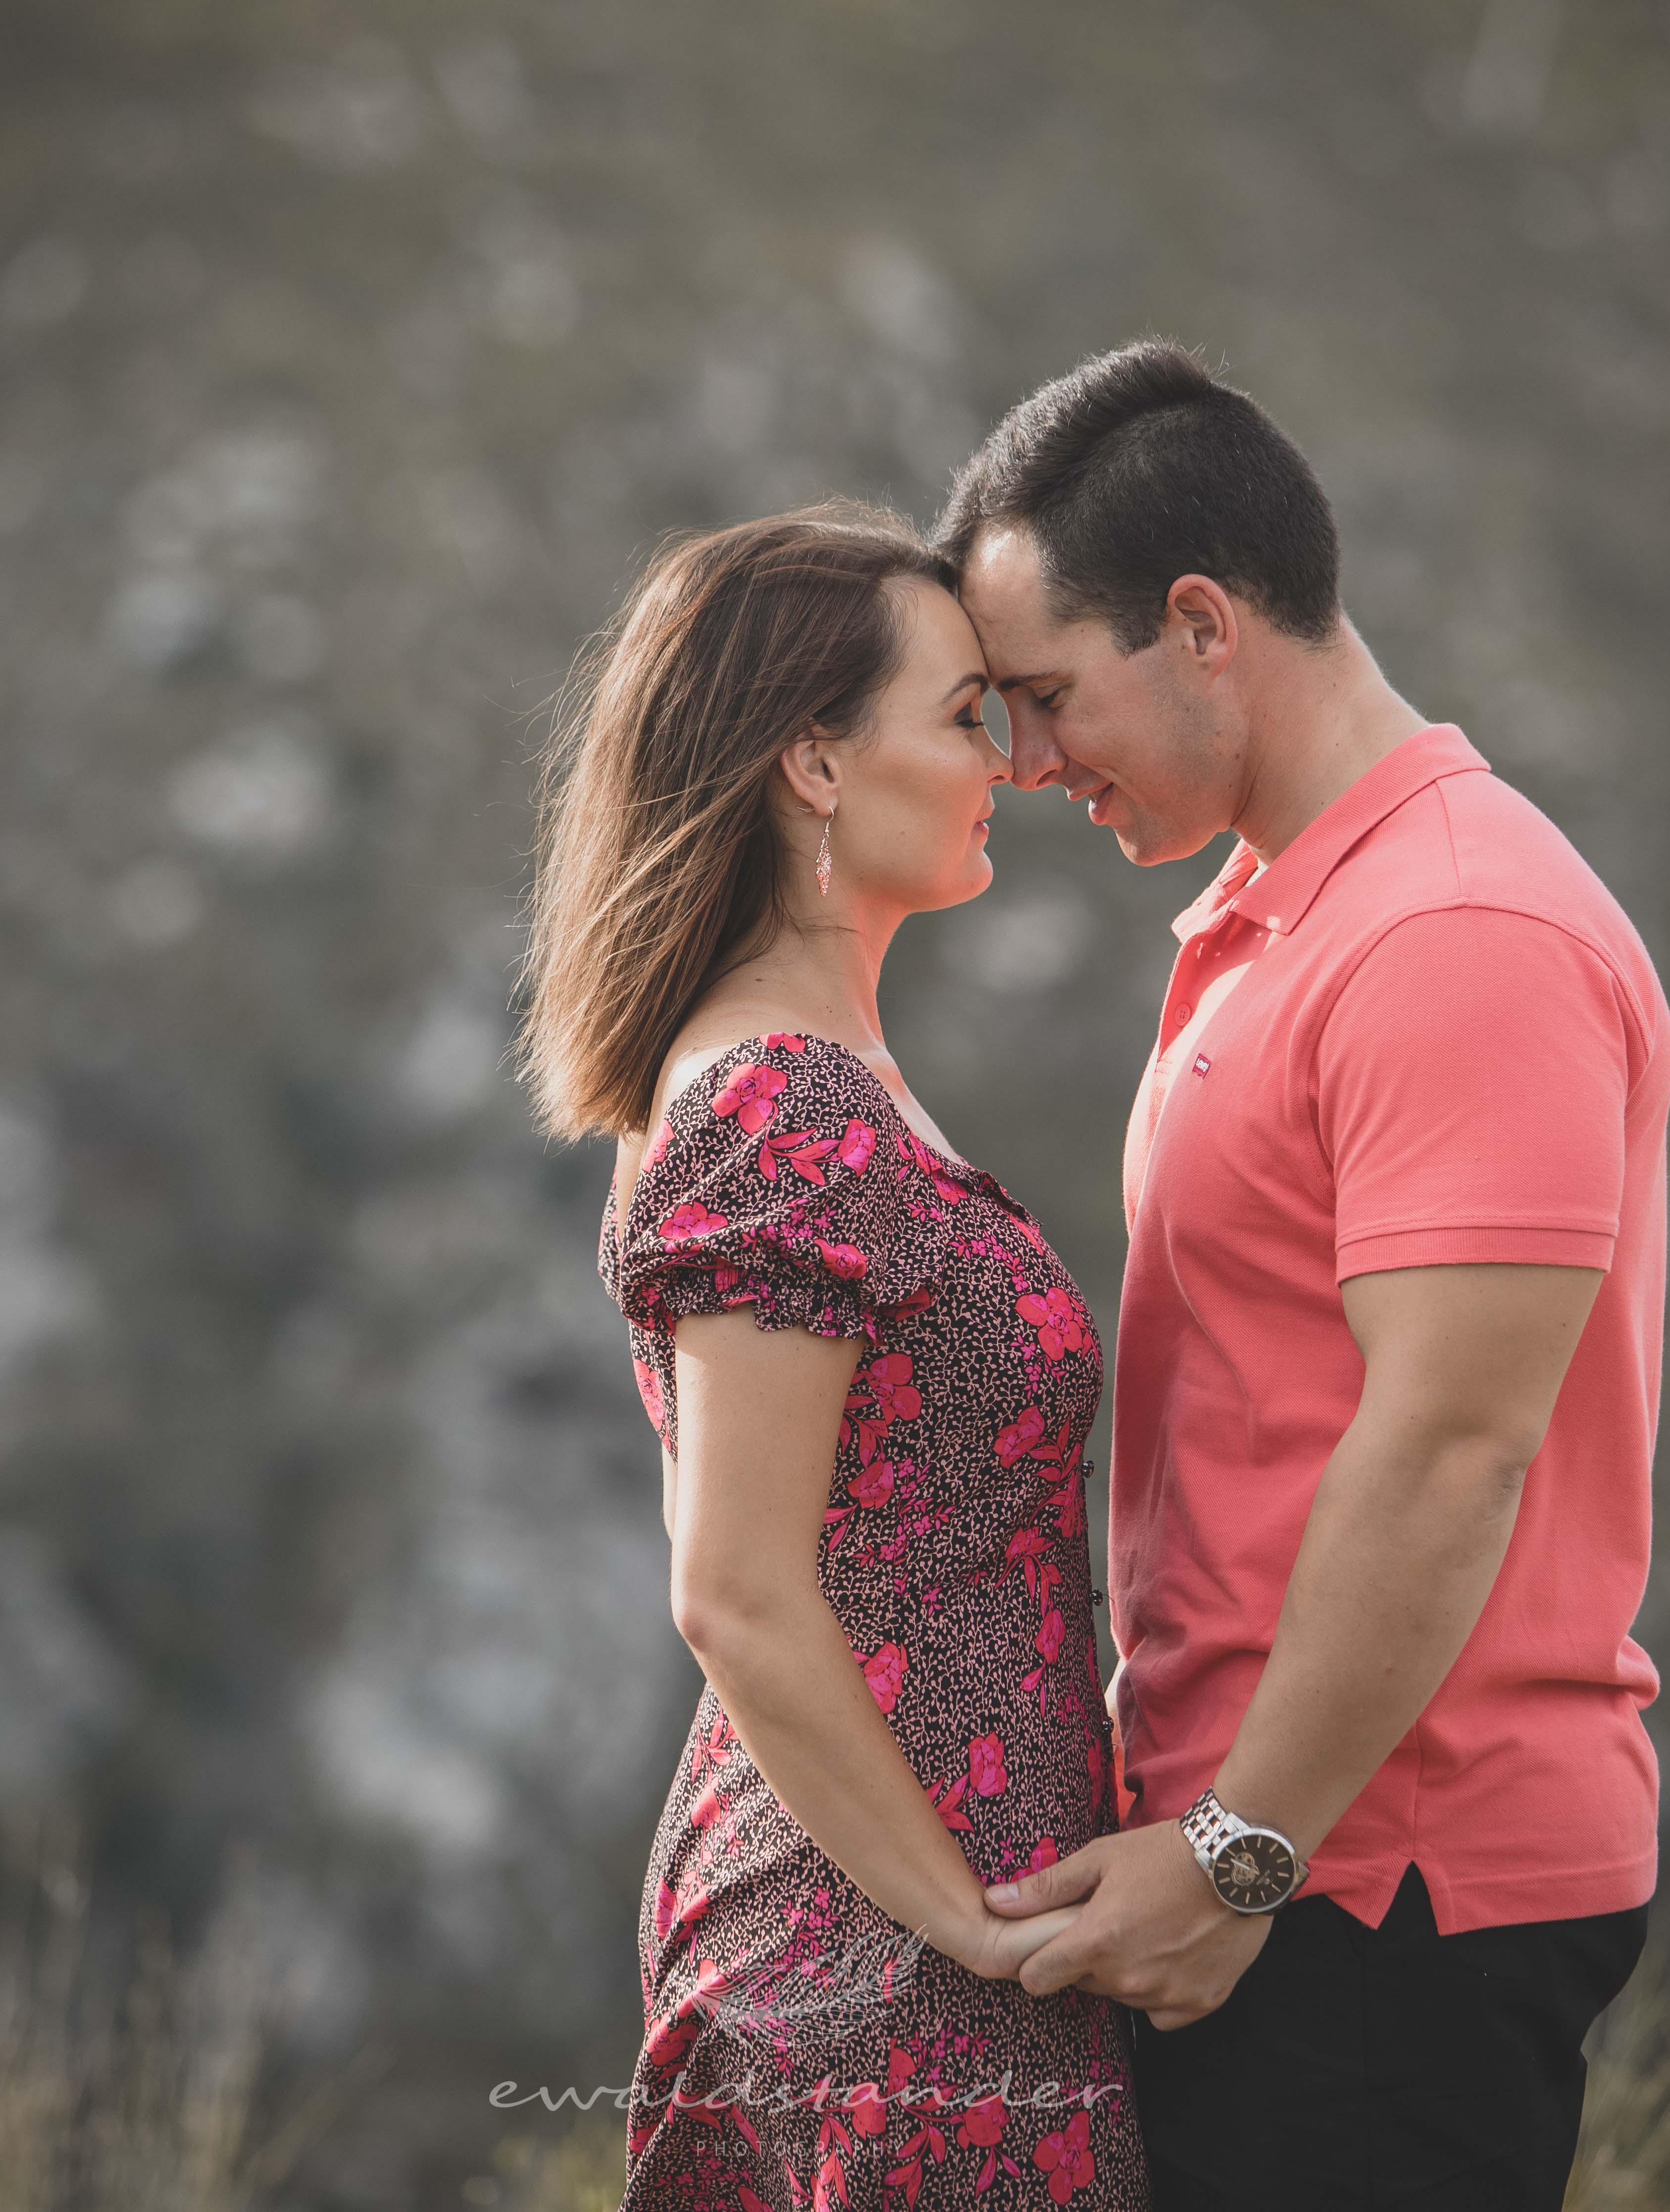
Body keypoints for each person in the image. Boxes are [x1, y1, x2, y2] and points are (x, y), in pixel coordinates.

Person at [936, 343, 1670, 2209]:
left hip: (1380, 1889)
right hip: (1290, 1870)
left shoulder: (1455, 930)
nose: (1028, 764)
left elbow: (1450, 1450)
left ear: (1202, 626)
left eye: (1046, 697)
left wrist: (1238, 1857)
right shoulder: (1286, 915)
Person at [517, 503, 1151, 2209]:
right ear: (813, 761)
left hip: (957, 1904)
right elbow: (733, 1588)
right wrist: (961, 1920)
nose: (1009, 760)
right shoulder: (777, 1104)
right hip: (882, 1950)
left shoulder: (820, 1077)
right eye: (961, 716)